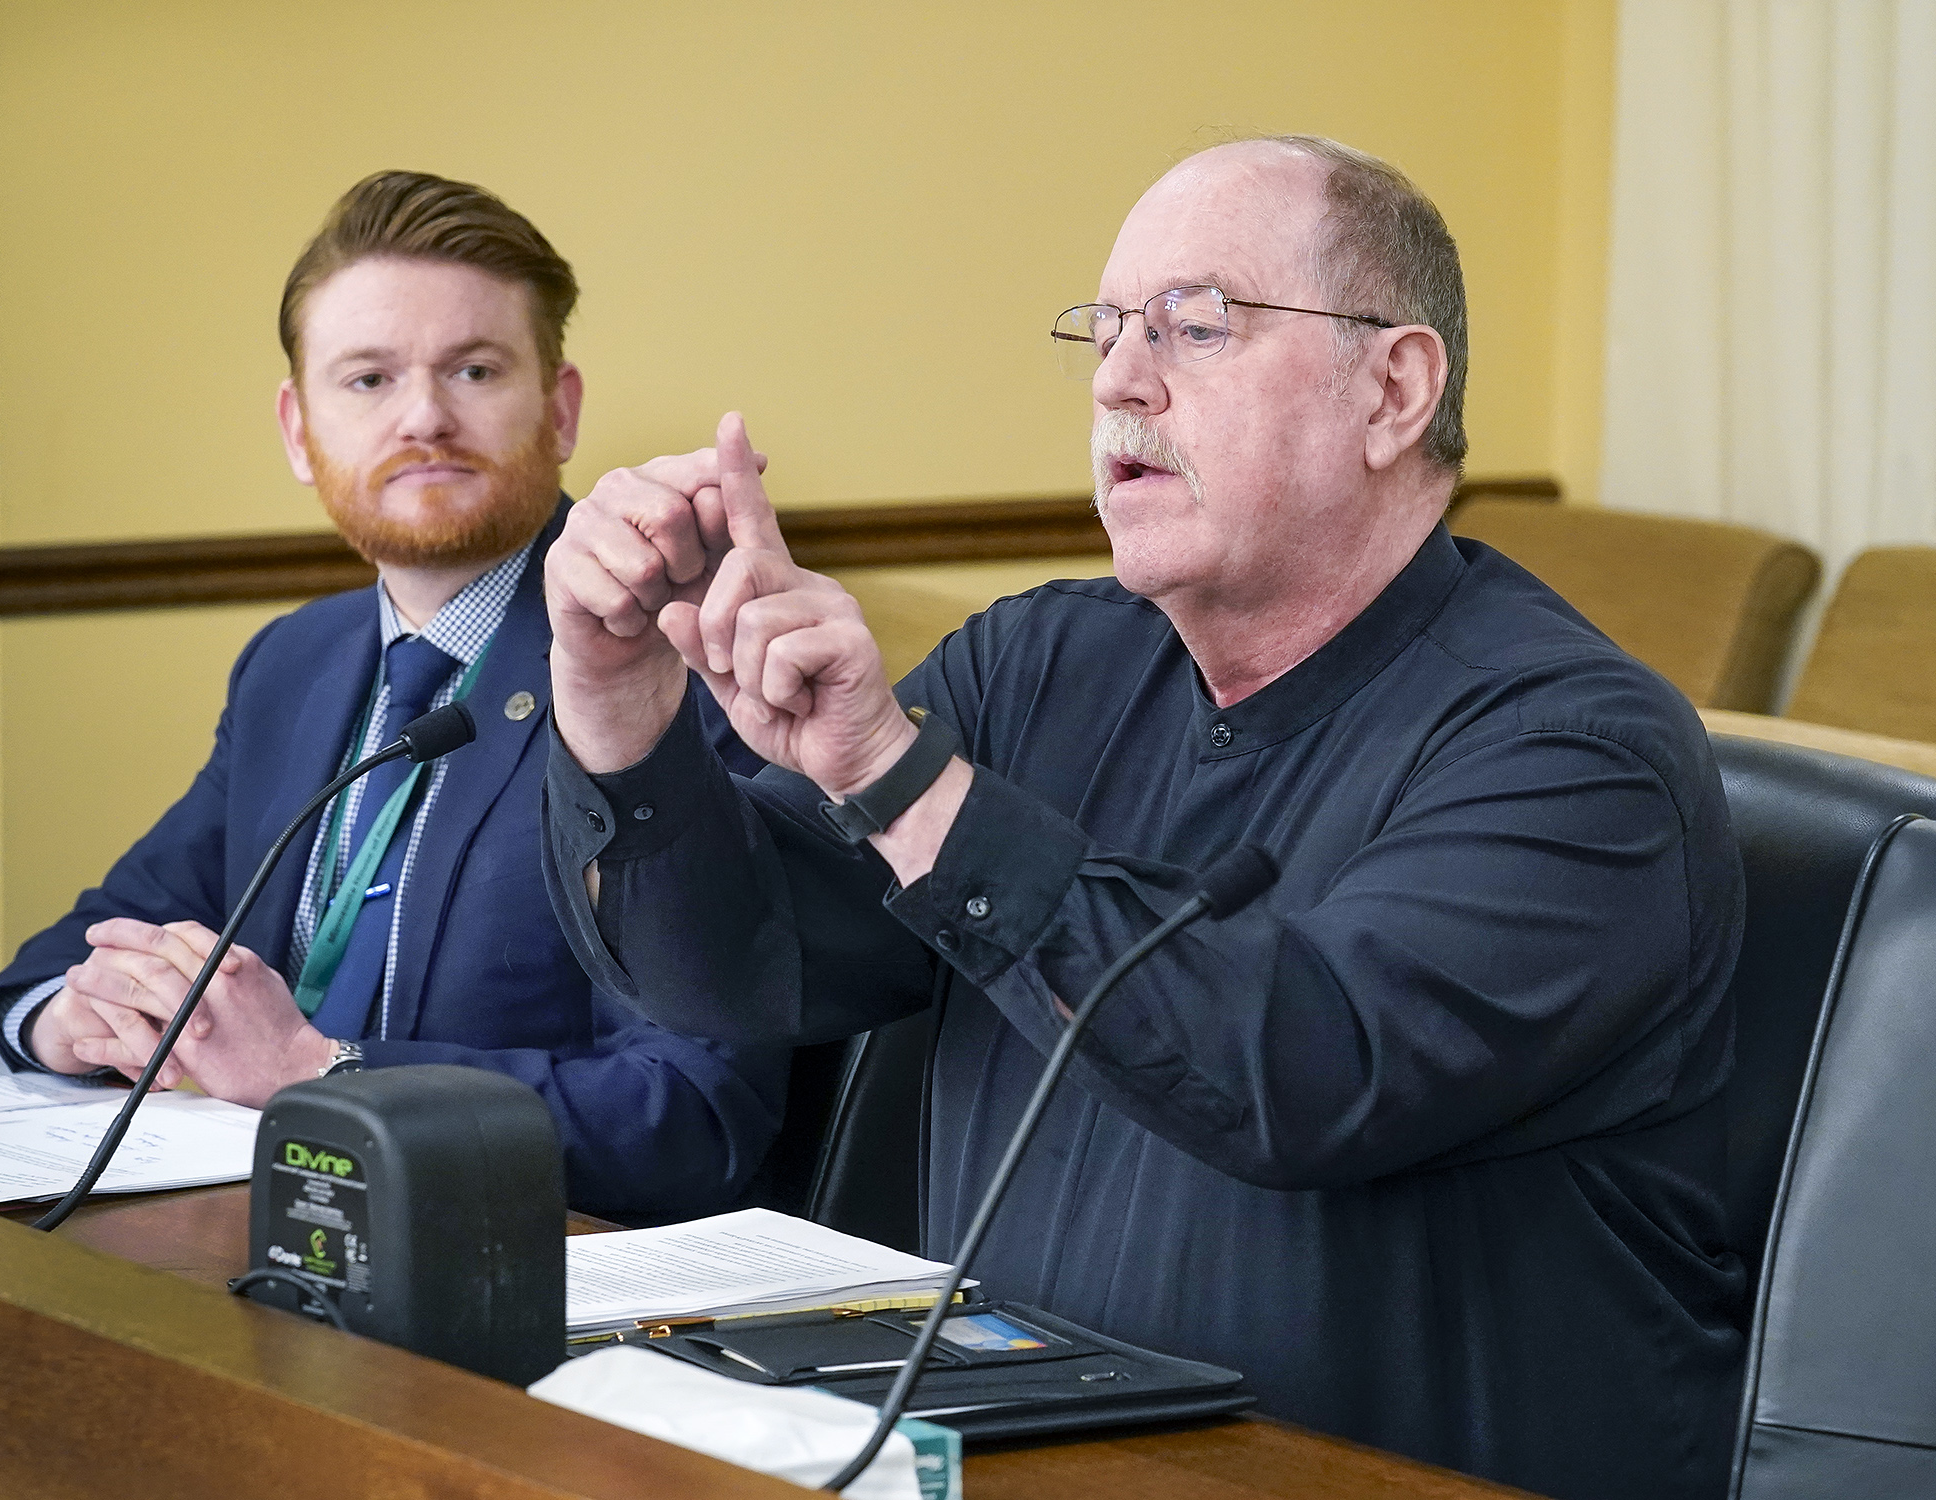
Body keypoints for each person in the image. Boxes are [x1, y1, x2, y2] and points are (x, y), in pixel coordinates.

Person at [534, 137, 1745, 1497]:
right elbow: (731, 967)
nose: (1119, 378)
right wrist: (616, 699)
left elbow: (1302, 1070)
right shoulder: (1042, 663)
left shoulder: (1579, 751)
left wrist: (897, 772)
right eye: (1106, 330)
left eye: (1195, 326)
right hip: (1014, 1463)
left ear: (1394, 390)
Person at [0, 170, 784, 1223]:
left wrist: (325, 1070)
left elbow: (688, 1116)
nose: (424, 418)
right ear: (297, 430)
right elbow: (82, 944)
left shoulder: (677, 667)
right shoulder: (294, 664)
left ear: (561, 407)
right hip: (266, 1232)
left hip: (528, 1282)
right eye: (367, 380)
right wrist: (71, 1018)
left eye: (475, 369)